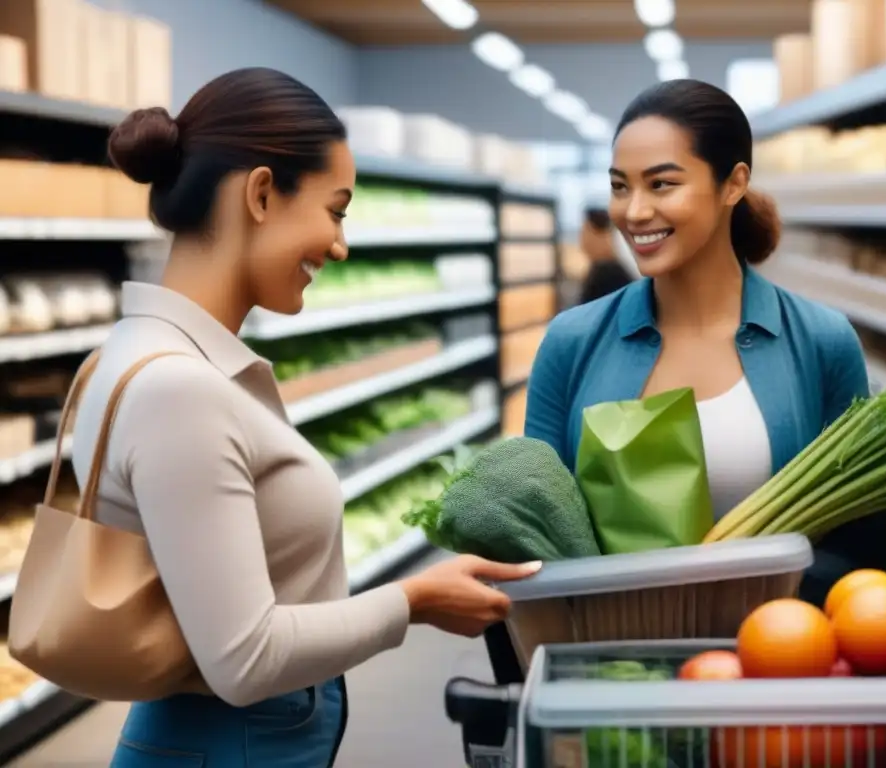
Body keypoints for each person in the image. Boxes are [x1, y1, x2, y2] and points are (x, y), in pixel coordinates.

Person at [73, 67, 539, 767]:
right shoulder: (180, 391)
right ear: (261, 194)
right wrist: (411, 602)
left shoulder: (155, 357)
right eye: (336, 209)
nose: (340, 243)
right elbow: (244, 660)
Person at [524, 79, 886, 608]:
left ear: (733, 183)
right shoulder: (572, 341)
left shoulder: (821, 341)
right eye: (620, 186)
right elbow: (534, 530)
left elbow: (859, 546)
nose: (633, 211)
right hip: (611, 663)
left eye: (662, 184)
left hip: (776, 660)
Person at [577, 207, 634, 304]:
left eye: (585, 235)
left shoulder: (607, 274)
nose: (583, 243)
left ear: (605, 235)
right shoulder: (617, 269)